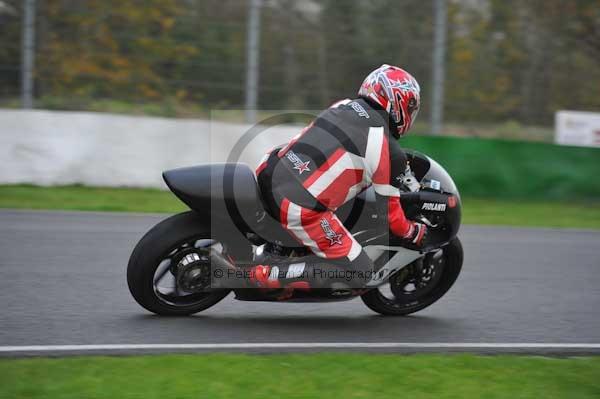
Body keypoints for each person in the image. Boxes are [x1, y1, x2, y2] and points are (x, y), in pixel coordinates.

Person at [249, 64, 427, 295]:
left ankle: (281, 250)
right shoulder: (388, 149)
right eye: (410, 105)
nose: (411, 112)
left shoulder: (344, 105)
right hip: (296, 204)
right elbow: (390, 217)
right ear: (397, 101)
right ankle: (262, 275)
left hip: (270, 168)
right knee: (360, 272)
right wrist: (413, 232)